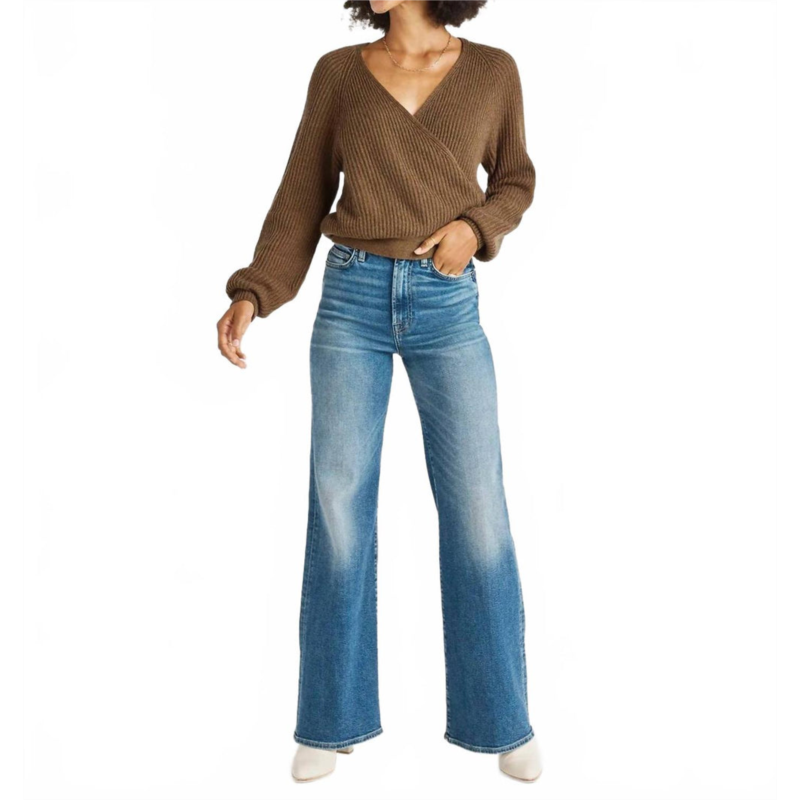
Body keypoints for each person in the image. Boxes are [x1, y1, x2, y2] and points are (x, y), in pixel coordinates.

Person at [216, 0, 543, 783]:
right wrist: (255, 291)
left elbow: (516, 181)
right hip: (351, 300)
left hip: (447, 303)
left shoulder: (492, 71)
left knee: (477, 508)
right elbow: (301, 194)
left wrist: (476, 229)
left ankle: (501, 720)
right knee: (338, 506)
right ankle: (329, 719)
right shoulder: (337, 74)